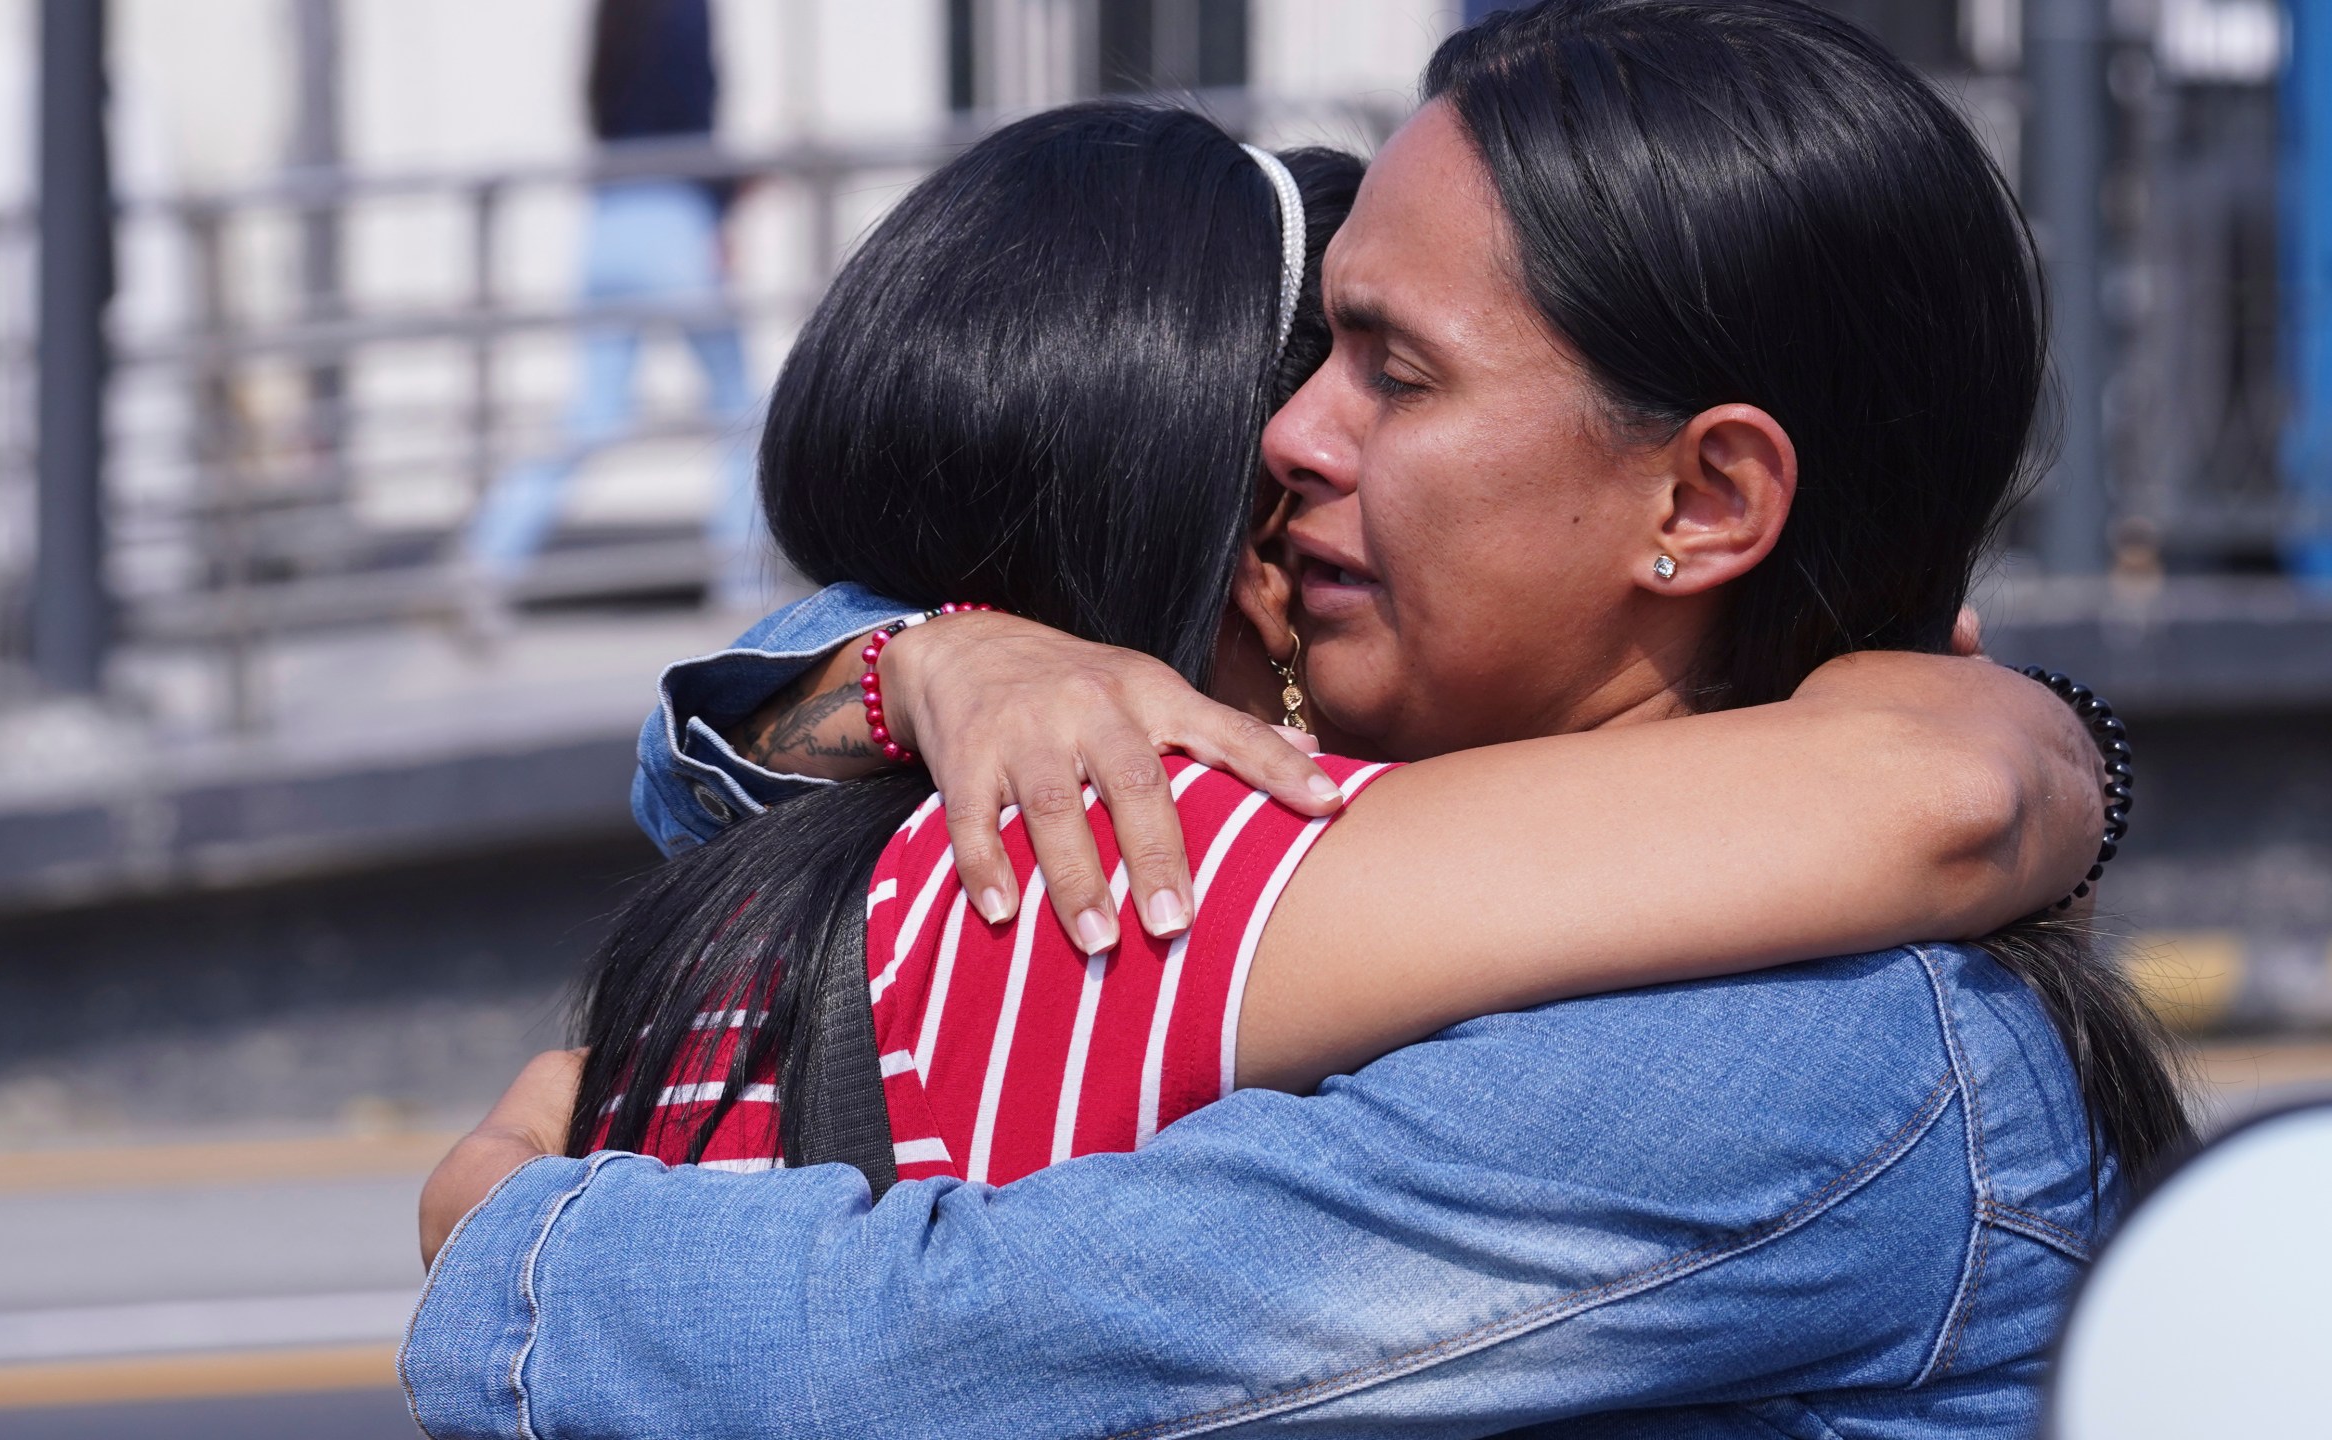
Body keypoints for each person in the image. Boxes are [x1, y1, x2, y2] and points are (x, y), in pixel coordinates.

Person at [404, 5, 2184, 1435]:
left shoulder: (1816, 1055)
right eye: (1317, 353)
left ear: (1705, 503)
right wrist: (917, 658)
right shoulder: (1268, 847)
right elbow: (704, 768)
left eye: (1393, 375)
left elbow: (944, 1360)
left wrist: (514, 1236)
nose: (1293, 439)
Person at [458, 0, 765, 618]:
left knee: (592, 414)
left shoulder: (612, 15)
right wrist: (727, 188)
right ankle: (744, 593)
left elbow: (618, 115)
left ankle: (483, 566)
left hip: (608, 219)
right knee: (740, 411)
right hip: (674, 218)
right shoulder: (683, 11)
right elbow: (684, 112)